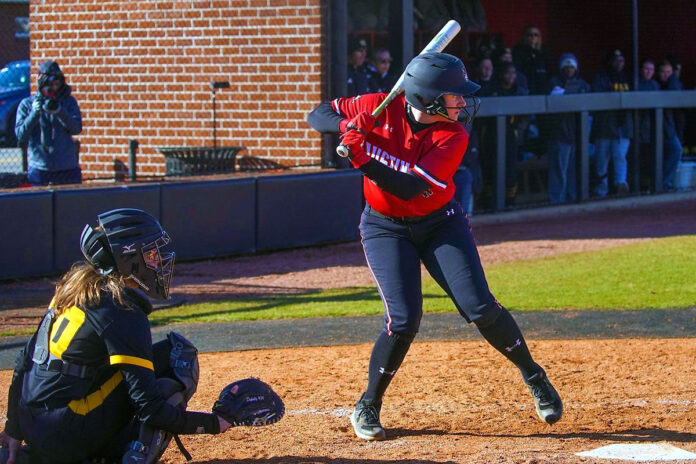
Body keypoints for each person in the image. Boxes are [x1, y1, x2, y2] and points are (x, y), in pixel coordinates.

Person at [307, 52, 563, 441]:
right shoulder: (380, 105)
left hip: (440, 224)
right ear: (427, 98)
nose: (462, 102)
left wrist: (360, 156)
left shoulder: (453, 134)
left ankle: (535, 376)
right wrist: (348, 124)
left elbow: (409, 188)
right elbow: (318, 114)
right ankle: (368, 405)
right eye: (454, 96)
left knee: (479, 307)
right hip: (384, 227)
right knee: (404, 320)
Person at [0, 209, 236, 464]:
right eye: (151, 254)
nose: (158, 261)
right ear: (129, 258)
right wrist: (213, 423)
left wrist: (14, 428)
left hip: (36, 424)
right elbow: (150, 409)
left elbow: (25, 361)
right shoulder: (122, 308)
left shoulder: (72, 288)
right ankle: (129, 458)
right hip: (65, 435)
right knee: (178, 356)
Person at [15, 60, 82, 186]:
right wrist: (34, 113)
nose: (53, 88)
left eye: (57, 84)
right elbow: (21, 135)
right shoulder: (27, 104)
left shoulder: (68, 102)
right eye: (50, 85)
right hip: (40, 169)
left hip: (67, 168)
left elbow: (76, 129)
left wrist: (60, 111)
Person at [483, 62, 530, 206]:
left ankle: (509, 202)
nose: (511, 76)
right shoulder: (491, 90)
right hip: (492, 137)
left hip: (511, 136)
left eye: (513, 73)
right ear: (501, 74)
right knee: (491, 170)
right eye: (508, 73)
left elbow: (526, 115)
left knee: (510, 171)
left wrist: (519, 128)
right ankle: (490, 203)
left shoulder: (519, 91)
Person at [546, 53, 591, 203]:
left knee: (574, 172)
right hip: (560, 134)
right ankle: (557, 202)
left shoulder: (582, 84)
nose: (569, 69)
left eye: (572, 67)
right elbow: (555, 98)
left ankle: (573, 200)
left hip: (577, 135)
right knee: (559, 172)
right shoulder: (554, 82)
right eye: (566, 66)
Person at [590, 49, 633, 197]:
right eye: (616, 60)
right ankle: (601, 191)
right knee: (601, 161)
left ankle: (620, 185)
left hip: (622, 127)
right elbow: (597, 97)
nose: (619, 63)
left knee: (620, 157)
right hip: (604, 126)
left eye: (621, 60)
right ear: (609, 61)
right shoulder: (601, 77)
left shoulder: (628, 78)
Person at [656, 60, 684, 190]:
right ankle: (663, 184)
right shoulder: (655, 86)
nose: (666, 75)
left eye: (669, 72)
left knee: (675, 150)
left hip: (669, 129)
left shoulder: (673, 84)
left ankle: (665, 184)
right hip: (655, 131)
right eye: (663, 72)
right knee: (675, 150)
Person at [637, 59, 659, 191]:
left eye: (651, 69)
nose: (648, 72)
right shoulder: (635, 83)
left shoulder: (655, 86)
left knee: (649, 161)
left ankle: (649, 187)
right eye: (646, 68)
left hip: (651, 130)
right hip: (637, 130)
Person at [512, 25, 549, 95]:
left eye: (536, 35)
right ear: (525, 37)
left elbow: (549, 67)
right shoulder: (518, 50)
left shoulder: (544, 50)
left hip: (542, 84)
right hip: (525, 85)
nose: (533, 37)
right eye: (530, 35)